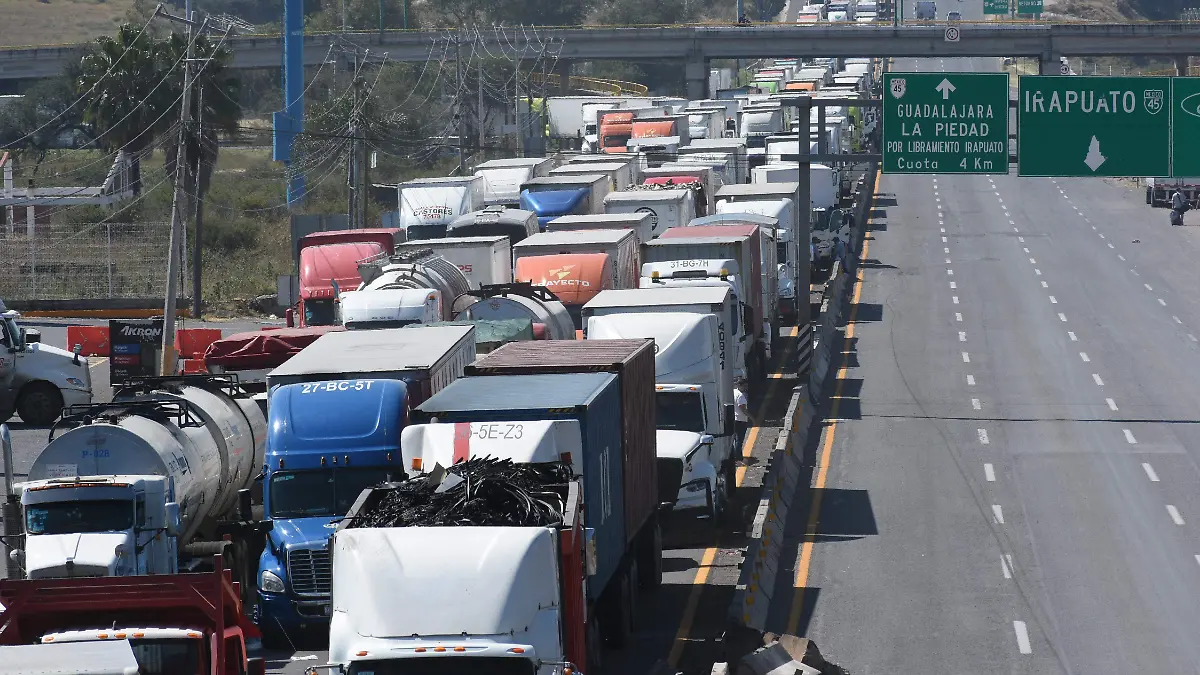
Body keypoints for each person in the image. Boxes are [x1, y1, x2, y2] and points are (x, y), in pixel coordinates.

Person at [733, 377, 749, 451]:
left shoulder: (733, 392)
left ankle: (737, 457)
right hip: (741, 420)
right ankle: (738, 458)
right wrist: (752, 418)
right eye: (744, 386)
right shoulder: (741, 396)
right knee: (739, 441)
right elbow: (743, 409)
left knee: (735, 440)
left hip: (734, 419)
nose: (746, 388)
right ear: (739, 385)